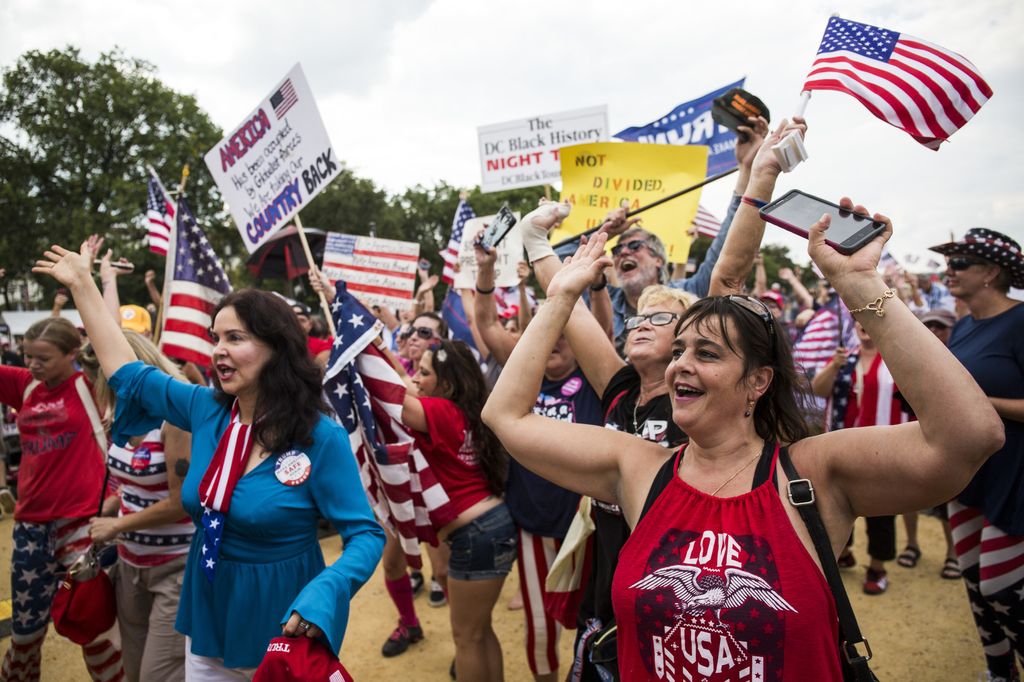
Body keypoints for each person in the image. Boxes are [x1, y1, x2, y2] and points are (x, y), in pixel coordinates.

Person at [482, 204, 1004, 679]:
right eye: (680, 349)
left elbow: (969, 436)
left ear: (758, 382)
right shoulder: (640, 468)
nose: (682, 363)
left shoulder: (812, 474)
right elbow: (505, 416)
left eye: (706, 354)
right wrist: (561, 296)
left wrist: (859, 282)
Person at [34, 241, 385, 677]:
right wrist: (84, 285)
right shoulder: (207, 409)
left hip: (284, 620)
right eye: (215, 338)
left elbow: (367, 535)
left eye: (234, 338)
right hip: (207, 610)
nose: (218, 349)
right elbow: (126, 372)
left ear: (277, 347)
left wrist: (328, 590)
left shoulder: (321, 437)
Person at [0, 316, 123, 681]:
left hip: (82, 525)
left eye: (43, 358)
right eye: (27, 357)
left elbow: (113, 338)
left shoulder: (91, 385)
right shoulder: (24, 385)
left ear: (72, 353)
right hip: (30, 526)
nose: (33, 366)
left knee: (95, 631)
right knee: (25, 635)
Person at [928, 228, 1024, 681]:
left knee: (1001, 585)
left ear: (991, 272)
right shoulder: (964, 324)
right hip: (971, 472)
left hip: (1016, 473)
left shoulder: (1021, 322)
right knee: (974, 581)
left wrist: (977, 402)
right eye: (949, 261)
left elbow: (973, 396)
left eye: (961, 261)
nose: (950, 270)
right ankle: (998, 672)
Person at [80, 331, 194, 682]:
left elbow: (182, 504)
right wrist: (112, 506)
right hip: (129, 564)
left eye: (96, 372)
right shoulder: (120, 411)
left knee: (159, 675)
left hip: (177, 566)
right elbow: (126, 482)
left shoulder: (174, 418)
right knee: (132, 669)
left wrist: (116, 526)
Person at [400, 339, 515, 681]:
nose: (415, 380)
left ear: (446, 384)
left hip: (475, 535)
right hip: (490, 527)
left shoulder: (441, 410)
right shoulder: (467, 411)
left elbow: (394, 402)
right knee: (480, 631)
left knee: (465, 638)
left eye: (423, 373)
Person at [811, 323, 908, 595]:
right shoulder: (845, 356)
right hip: (842, 446)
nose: (865, 325)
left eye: (869, 319)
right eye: (858, 320)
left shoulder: (896, 357)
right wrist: (834, 366)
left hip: (884, 448)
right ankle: (845, 552)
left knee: (881, 507)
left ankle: (877, 568)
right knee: (838, 502)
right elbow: (818, 390)